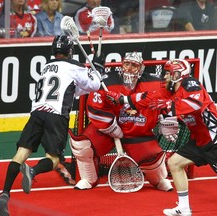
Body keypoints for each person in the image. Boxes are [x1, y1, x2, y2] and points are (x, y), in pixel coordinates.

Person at [105, 59, 217, 216]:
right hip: (198, 142)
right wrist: (123, 99)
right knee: (175, 163)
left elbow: (194, 104)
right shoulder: (170, 92)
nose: (165, 77)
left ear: (177, 75)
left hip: (216, 141)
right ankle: (184, 208)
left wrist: (168, 107)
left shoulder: (191, 84)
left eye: (168, 74)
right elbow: (148, 97)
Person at [0, 35, 102, 216]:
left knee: (20, 154)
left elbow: (74, 90)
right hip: (56, 116)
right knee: (54, 159)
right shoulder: (74, 66)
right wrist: (98, 68)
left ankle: (5, 193)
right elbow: (94, 85)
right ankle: (33, 171)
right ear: (70, 51)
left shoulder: (46, 67)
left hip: (36, 114)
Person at [68, 52, 173, 192]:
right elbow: (94, 108)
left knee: (155, 166)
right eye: (127, 64)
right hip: (109, 132)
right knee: (82, 147)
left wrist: (167, 119)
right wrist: (110, 127)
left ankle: (159, 179)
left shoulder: (155, 83)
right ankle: (89, 178)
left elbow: (167, 101)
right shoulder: (106, 82)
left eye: (134, 66)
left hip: (138, 133)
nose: (129, 68)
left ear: (141, 68)